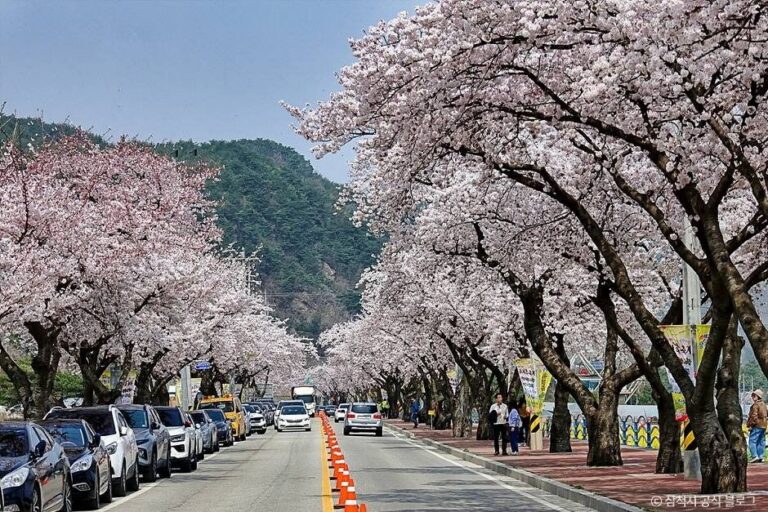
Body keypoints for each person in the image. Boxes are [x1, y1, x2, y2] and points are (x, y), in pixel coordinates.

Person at [747, 389, 767, 463]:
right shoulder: (764, 404)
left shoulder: (755, 405)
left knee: (752, 440)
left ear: (758, 396)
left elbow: (754, 416)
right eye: (752, 395)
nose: (752, 397)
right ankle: (761, 456)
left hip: (757, 425)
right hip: (764, 425)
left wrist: (751, 425)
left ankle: (754, 456)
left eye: (754, 395)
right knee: (761, 441)